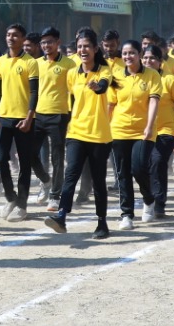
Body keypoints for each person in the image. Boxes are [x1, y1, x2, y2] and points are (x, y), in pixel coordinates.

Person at [44, 29, 115, 240]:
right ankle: (61, 216)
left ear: (95, 49)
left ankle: (102, 223)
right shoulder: (72, 74)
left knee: (98, 181)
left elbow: (103, 87)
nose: (83, 50)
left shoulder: (105, 70)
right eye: (80, 47)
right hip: (76, 132)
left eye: (87, 46)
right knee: (71, 174)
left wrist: (97, 86)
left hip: (99, 135)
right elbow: (72, 101)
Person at [108, 39, 160, 232]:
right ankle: (127, 214)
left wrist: (149, 126)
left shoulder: (152, 75)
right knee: (122, 173)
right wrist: (105, 127)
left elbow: (154, 102)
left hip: (143, 131)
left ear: (139, 54)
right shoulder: (116, 76)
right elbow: (111, 104)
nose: (128, 56)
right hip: (119, 130)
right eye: (125, 53)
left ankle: (148, 199)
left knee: (138, 168)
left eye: (132, 53)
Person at [0, 23, 41, 222]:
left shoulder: (31, 62)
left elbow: (34, 92)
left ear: (22, 39)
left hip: (24, 119)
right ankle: (10, 197)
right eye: (8, 34)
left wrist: (29, 117)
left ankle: (22, 204)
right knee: (0, 159)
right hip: (4, 117)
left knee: (24, 162)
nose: (11, 38)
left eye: (15, 35)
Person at [34, 27, 77, 210]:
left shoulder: (69, 64)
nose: (46, 46)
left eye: (50, 42)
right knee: (30, 154)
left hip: (59, 115)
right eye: (43, 42)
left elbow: (75, 92)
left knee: (57, 158)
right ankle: (45, 180)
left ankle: (55, 195)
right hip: (37, 115)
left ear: (58, 43)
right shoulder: (35, 64)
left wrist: (73, 116)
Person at [142, 44, 174, 222]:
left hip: (166, 130)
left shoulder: (170, 80)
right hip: (143, 131)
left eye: (152, 58)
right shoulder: (139, 79)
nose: (148, 61)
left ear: (160, 61)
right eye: (145, 57)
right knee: (142, 165)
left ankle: (159, 204)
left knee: (158, 161)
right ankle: (148, 199)